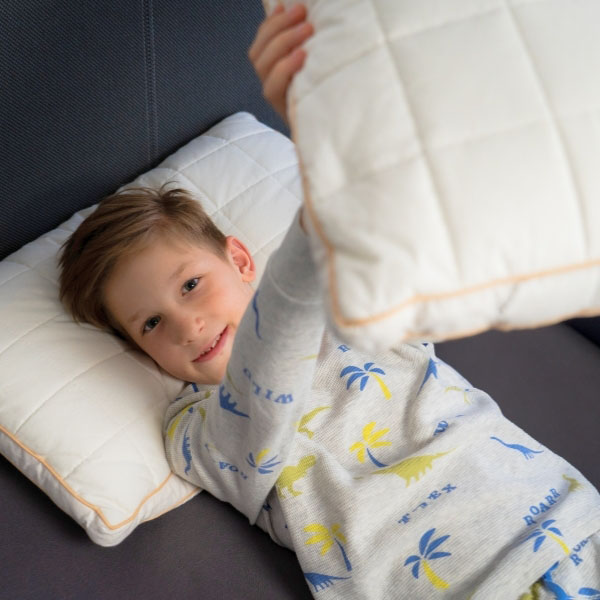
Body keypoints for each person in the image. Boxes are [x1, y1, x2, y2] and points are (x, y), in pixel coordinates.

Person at [59, 4, 600, 598]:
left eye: (191, 285)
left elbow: (426, 214)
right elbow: (264, 379)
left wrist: (348, 137)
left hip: (573, 521)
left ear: (241, 261)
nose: (187, 325)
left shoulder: (352, 306)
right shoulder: (197, 433)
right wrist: (322, 214)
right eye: (151, 323)